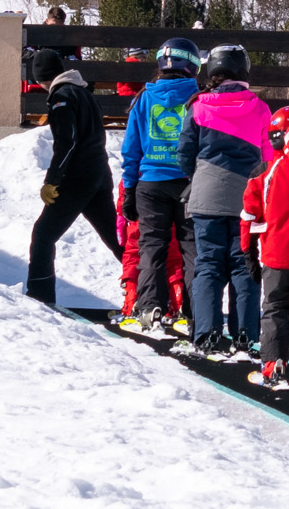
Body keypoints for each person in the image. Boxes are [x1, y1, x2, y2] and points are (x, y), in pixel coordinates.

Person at [181, 43, 270, 355]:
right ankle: (246, 333)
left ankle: (205, 332)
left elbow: (185, 154)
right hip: (246, 198)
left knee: (207, 264)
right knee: (243, 264)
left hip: (206, 196)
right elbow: (267, 157)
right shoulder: (259, 107)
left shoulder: (198, 106)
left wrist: (199, 177)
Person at [117, 37, 202, 330]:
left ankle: (149, 306)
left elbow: (131, 148)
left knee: (151, 246)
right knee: (192, 249)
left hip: (150, 183)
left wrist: (129, 188)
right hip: (188, 183)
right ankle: (192, 312)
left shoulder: (143, 97)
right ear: (192, 65)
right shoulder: (198, 99)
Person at [25, 48, 117, 308]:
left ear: (41, 78)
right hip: (99, 171)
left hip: (78, 177)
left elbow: (67, 143)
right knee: (114, 237)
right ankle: (154, 290)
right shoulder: (83, 92)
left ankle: (39, 297)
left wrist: (53, 180)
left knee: (43, 235)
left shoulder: (61, 97)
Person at [253, 107, 289, 389]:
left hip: (275, 253)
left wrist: (247, 252)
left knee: (274, 307)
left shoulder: (265, 172)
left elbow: (250, 214)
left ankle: (272, 361)